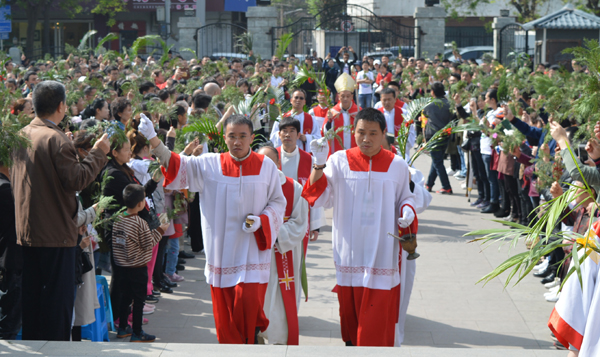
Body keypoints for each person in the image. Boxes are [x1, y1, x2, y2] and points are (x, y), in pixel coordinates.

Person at [139, 113, 286, 344]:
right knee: (225, 315)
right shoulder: (210, 164)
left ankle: (249, 342)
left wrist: (261, 221)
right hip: (222, 254)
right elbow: (177, 164)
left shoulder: (266, 166)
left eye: (242, 136)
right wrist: (153, 140)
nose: (237, 142)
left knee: (249, 305)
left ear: (252, 138)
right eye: (231, 136)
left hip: (252, 252)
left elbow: (278, 202)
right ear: (224, 138)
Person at [302, 108, 417, 347]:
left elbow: (406, 197)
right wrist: (318, 164)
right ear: (353, 132)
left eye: (373, 133)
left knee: (378, 313)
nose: (366, 139)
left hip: (382, 250)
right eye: (360, 132)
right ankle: (352, 346)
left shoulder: (397, 164)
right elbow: (317, 196)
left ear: (384, 134)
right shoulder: (339, 160)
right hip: (349, 248)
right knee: (351, 310)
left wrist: (408, 210)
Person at [11, 81, 110, 341]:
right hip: (56, 236)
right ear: (61, 106)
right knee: (57, 306)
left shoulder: (21, 134)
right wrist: (98, 153)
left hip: (28, 233)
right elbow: (76, 180)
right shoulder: (56, 139)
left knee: (33, 305)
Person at [256, 145, 309, 345]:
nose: (266, 166)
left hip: (283, 251)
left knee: (280, 304)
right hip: (257, 252)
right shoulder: (252, 186)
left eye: (271, 162)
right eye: (262, 162)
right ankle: (257, 339)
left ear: (278, 163)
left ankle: (280, 343)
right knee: (259, 300)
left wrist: (272, 232)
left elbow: (300, 222)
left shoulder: (294, 188)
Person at [112, 184, 170, 342]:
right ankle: (137, 332)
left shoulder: (119, 218)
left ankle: (123, 328)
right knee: (138, 300)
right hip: (137, 267)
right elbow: (148, 243)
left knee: (125, 297)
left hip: (122, 266)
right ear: (140, 203)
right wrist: (161, 230)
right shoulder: (139, 222)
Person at [276, 117, 326, 240]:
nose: (287, 134)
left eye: (292, 131)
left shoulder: (310, 161)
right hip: (276, 216)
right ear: (279, 134)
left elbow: (314, 191)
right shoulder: (271, 158)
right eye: (284, 130)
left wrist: (315, 225)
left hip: (301, 217)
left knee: (299, 257)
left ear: (299, 135)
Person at [423, 82, 453, 194]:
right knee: (437, 160)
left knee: (437, 162)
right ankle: (429, 184)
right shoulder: (448, 103)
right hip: (445, 134)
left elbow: (424, 114)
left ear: (433, 92)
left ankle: (446, 186)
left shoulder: (430, 104)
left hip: (433, 135)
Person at [270, 89, 321, 153]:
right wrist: (283, 135)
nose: (298, 100)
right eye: (296, 97)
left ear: (304, 102)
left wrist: (306, 138)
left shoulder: (312, 119)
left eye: (301, 98)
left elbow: (318, 138)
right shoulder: (282, 117)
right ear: (291, 100)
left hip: (304, 154)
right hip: (286, 153)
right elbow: (273, 136)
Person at [322, 73, 360, 155]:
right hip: (336, 151)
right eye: (343, 96)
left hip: (354, 151)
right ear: (338, 97)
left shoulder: (358, 112)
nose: (345, 98)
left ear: (352, 97)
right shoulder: (332, 112)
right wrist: (329, 122)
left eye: (348, 96)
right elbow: (325, 134)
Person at [378, 88, 415, 162]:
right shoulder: (377, 114)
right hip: (382, 150)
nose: (387, 102)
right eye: (384, 100)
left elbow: (411, 133)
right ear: (380, 100)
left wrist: (400, 142)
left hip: (399, 151)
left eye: (389, 99)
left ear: (395, 99)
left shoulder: (404, 114)